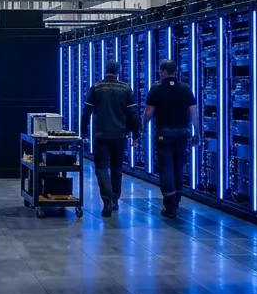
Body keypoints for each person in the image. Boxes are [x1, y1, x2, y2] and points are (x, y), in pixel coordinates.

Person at [82, 59, 140, 217]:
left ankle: (107, 201)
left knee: (101, 168)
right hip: (120, 135)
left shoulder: (97, 87)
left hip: (101, 135)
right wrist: (136, 133)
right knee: (117, 168)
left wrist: (84, 132)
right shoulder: (126, 88)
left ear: (105, 70)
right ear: (118, 71)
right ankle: (115, 199)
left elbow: (86, 112)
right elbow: (133, 114)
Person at [144, 58, 198, 219]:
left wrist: (142, 126)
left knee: (166, 168)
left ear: (163, 72)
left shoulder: (156, 88)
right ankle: (177, 201)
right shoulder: (186, 89)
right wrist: (198, 132)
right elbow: (193, 113)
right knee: (179, 167)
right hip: (183, 133)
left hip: (164, 133)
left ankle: (170, 206)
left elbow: (148, 111)